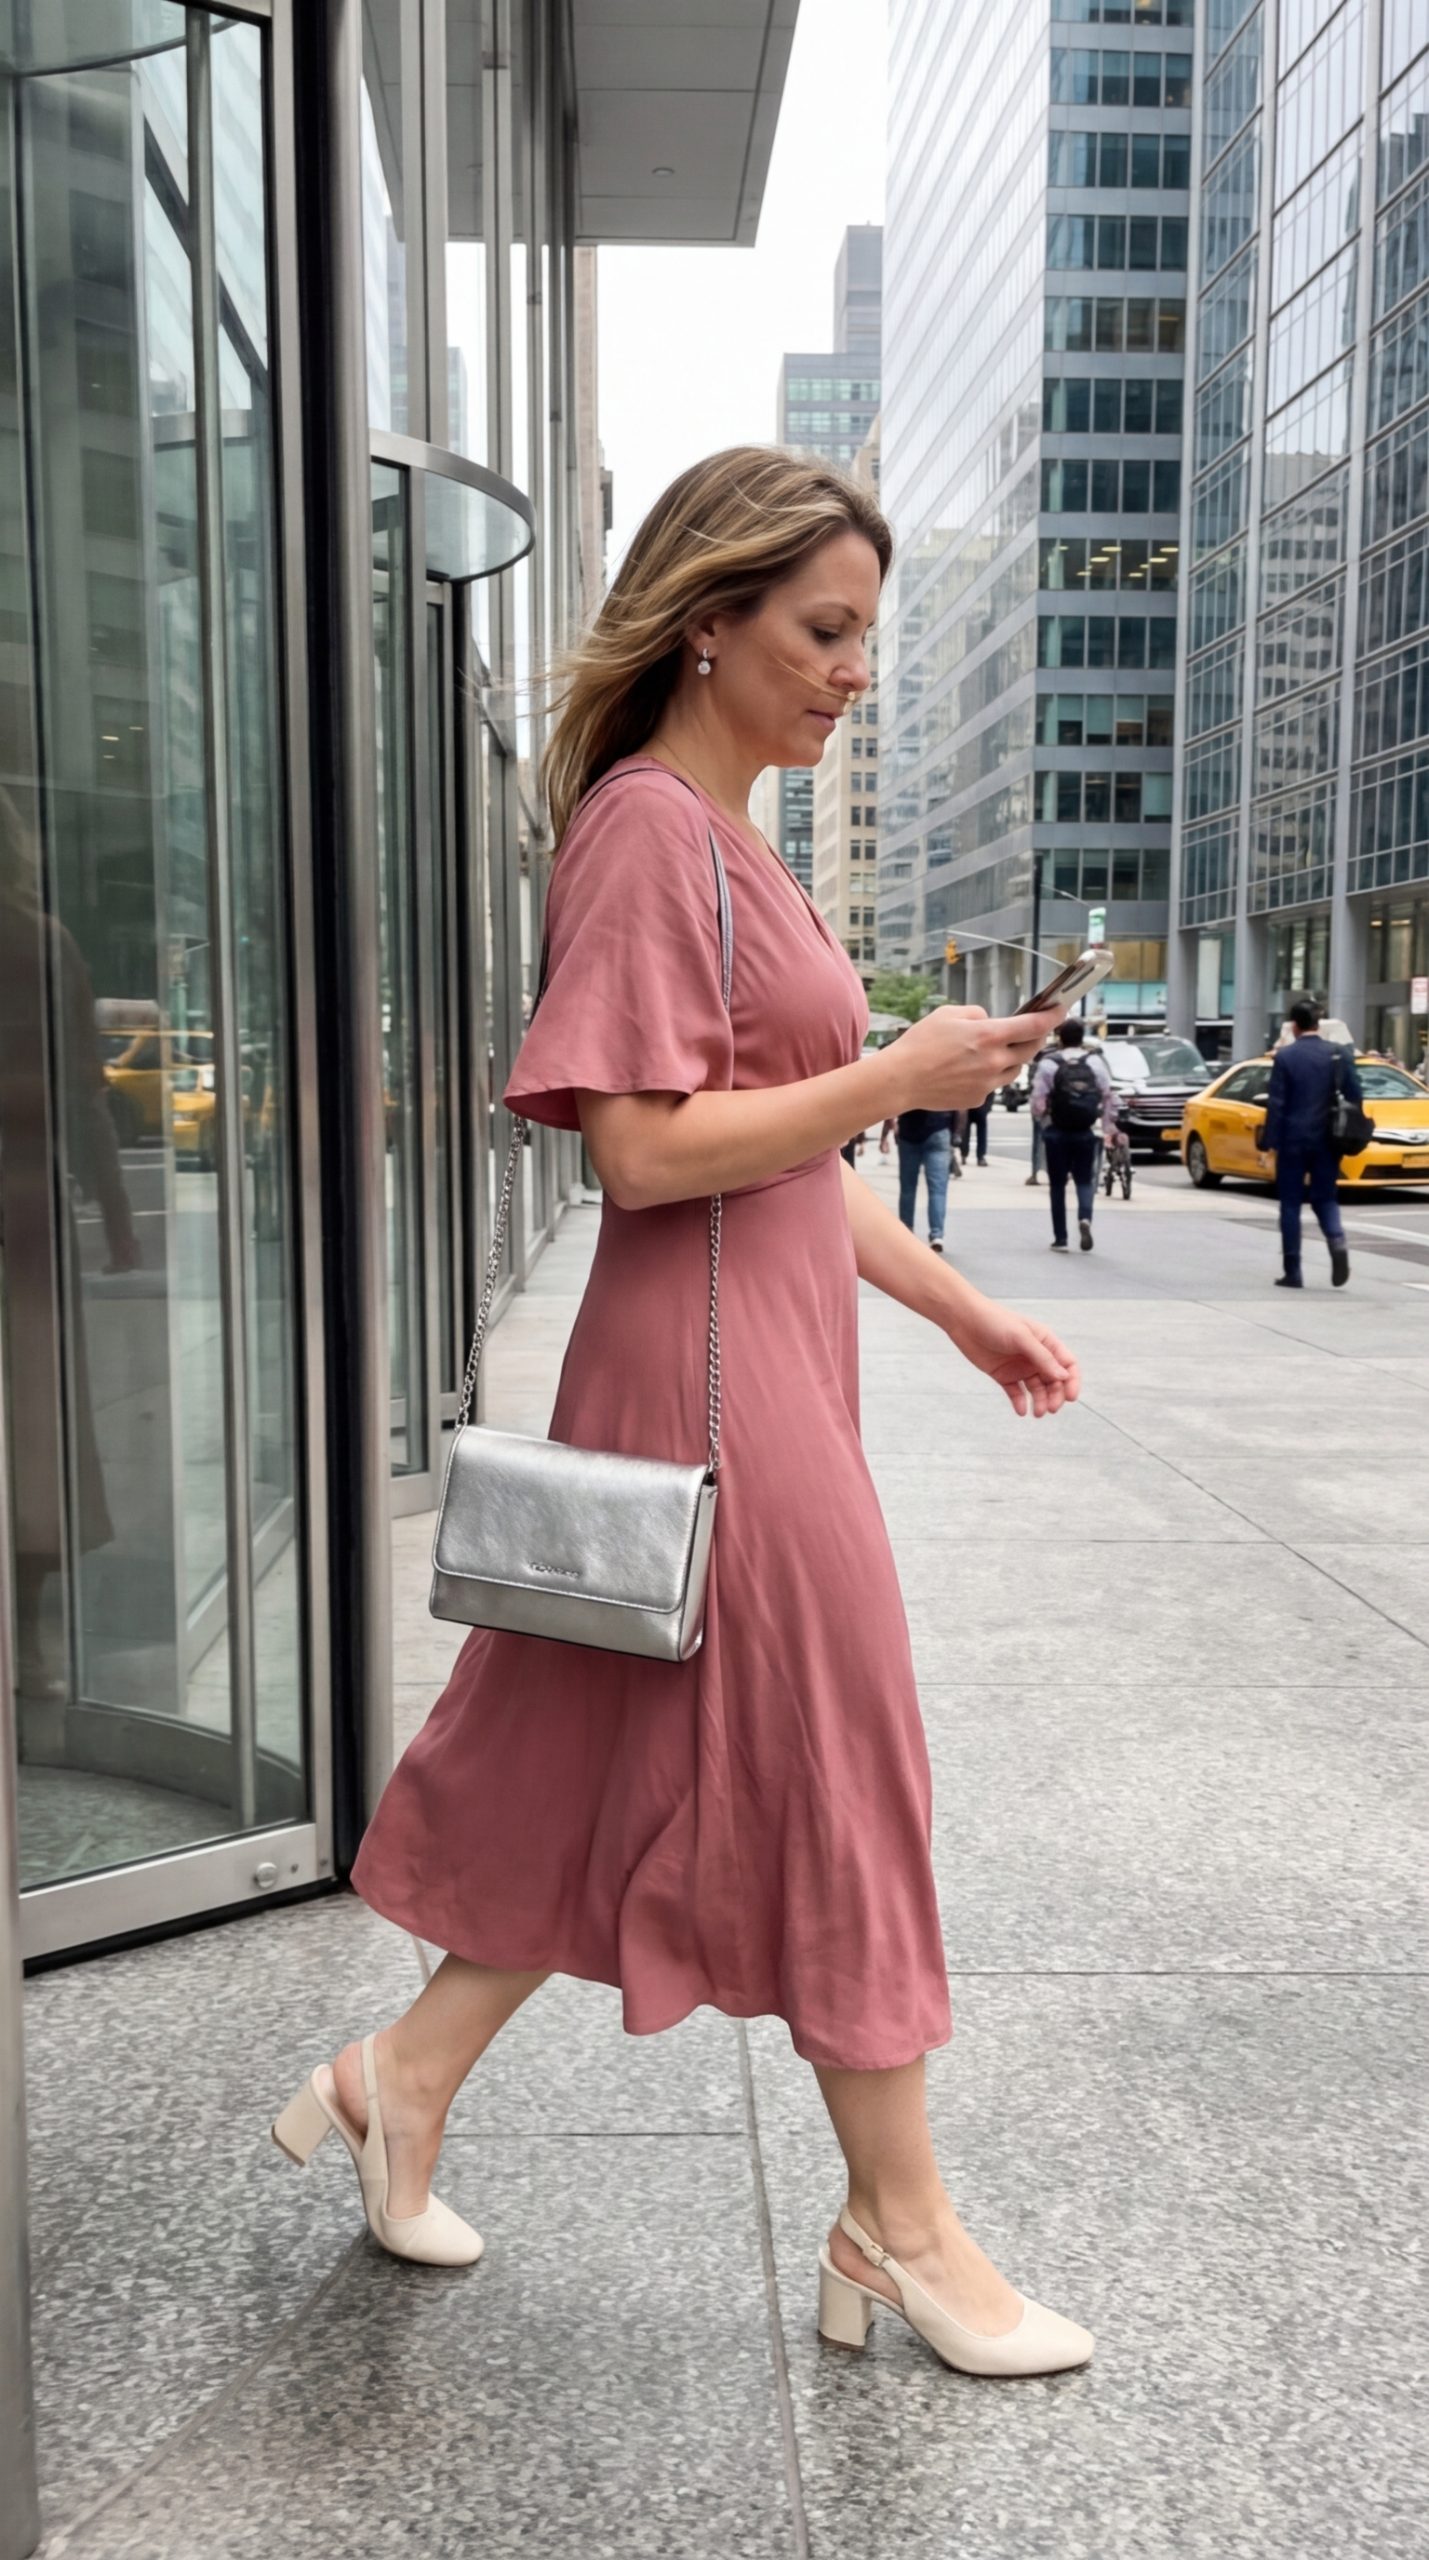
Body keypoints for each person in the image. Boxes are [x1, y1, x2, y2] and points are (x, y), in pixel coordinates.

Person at [274, 447, 1093, 2379]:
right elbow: (644, 1160)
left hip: (757, 1358)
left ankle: (399, 2080)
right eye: (820, 631)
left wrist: (965, 1308)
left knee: (585, 1763)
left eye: (863, 638)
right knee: (843, 1759)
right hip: (706, 1393)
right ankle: (898, 2226)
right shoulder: (648, 830)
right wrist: (889, 1075)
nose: (850, 672)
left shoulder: (730, 838)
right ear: (706, 619)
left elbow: (778, 1169)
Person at [1258, 994, 1360, 1289]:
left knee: (1290, 1204)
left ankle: (1293, 1271)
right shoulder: (1339, 1053)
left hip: (1292, 1139)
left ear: (1293, 1026)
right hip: (1328, 1139)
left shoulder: (1286, 1057)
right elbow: (1355, 1096)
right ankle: (1337, 1240)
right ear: (1318, 1023)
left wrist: (1269, 1142)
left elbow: (1276, 1103)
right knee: (1325, 1198)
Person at [1031, 1018, 1116, 1252]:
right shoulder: (1095, 1062)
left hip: (1057, 1132)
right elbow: (1108, 1095)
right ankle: (1085, 1217)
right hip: (1085, 1131)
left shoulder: (1050, 1064)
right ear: (1082, 1037)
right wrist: (1108, 1127)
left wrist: (1043, 1117)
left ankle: (1061, 1238)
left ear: (1060, 1038)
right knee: (1084, 1180)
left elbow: (1038, 1101)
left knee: (1057, 1185)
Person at [878, 1080, 959, 1254]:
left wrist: (885, 1135)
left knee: (908, 1187)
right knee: (938, 1189)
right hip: (939, 1129)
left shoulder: (911, 1068)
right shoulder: (943, 1069)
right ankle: (937, 1234)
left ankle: (906, 1231)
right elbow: (961, 1105)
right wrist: (957, 1134)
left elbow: (890, 1105)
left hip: (909, 1132)